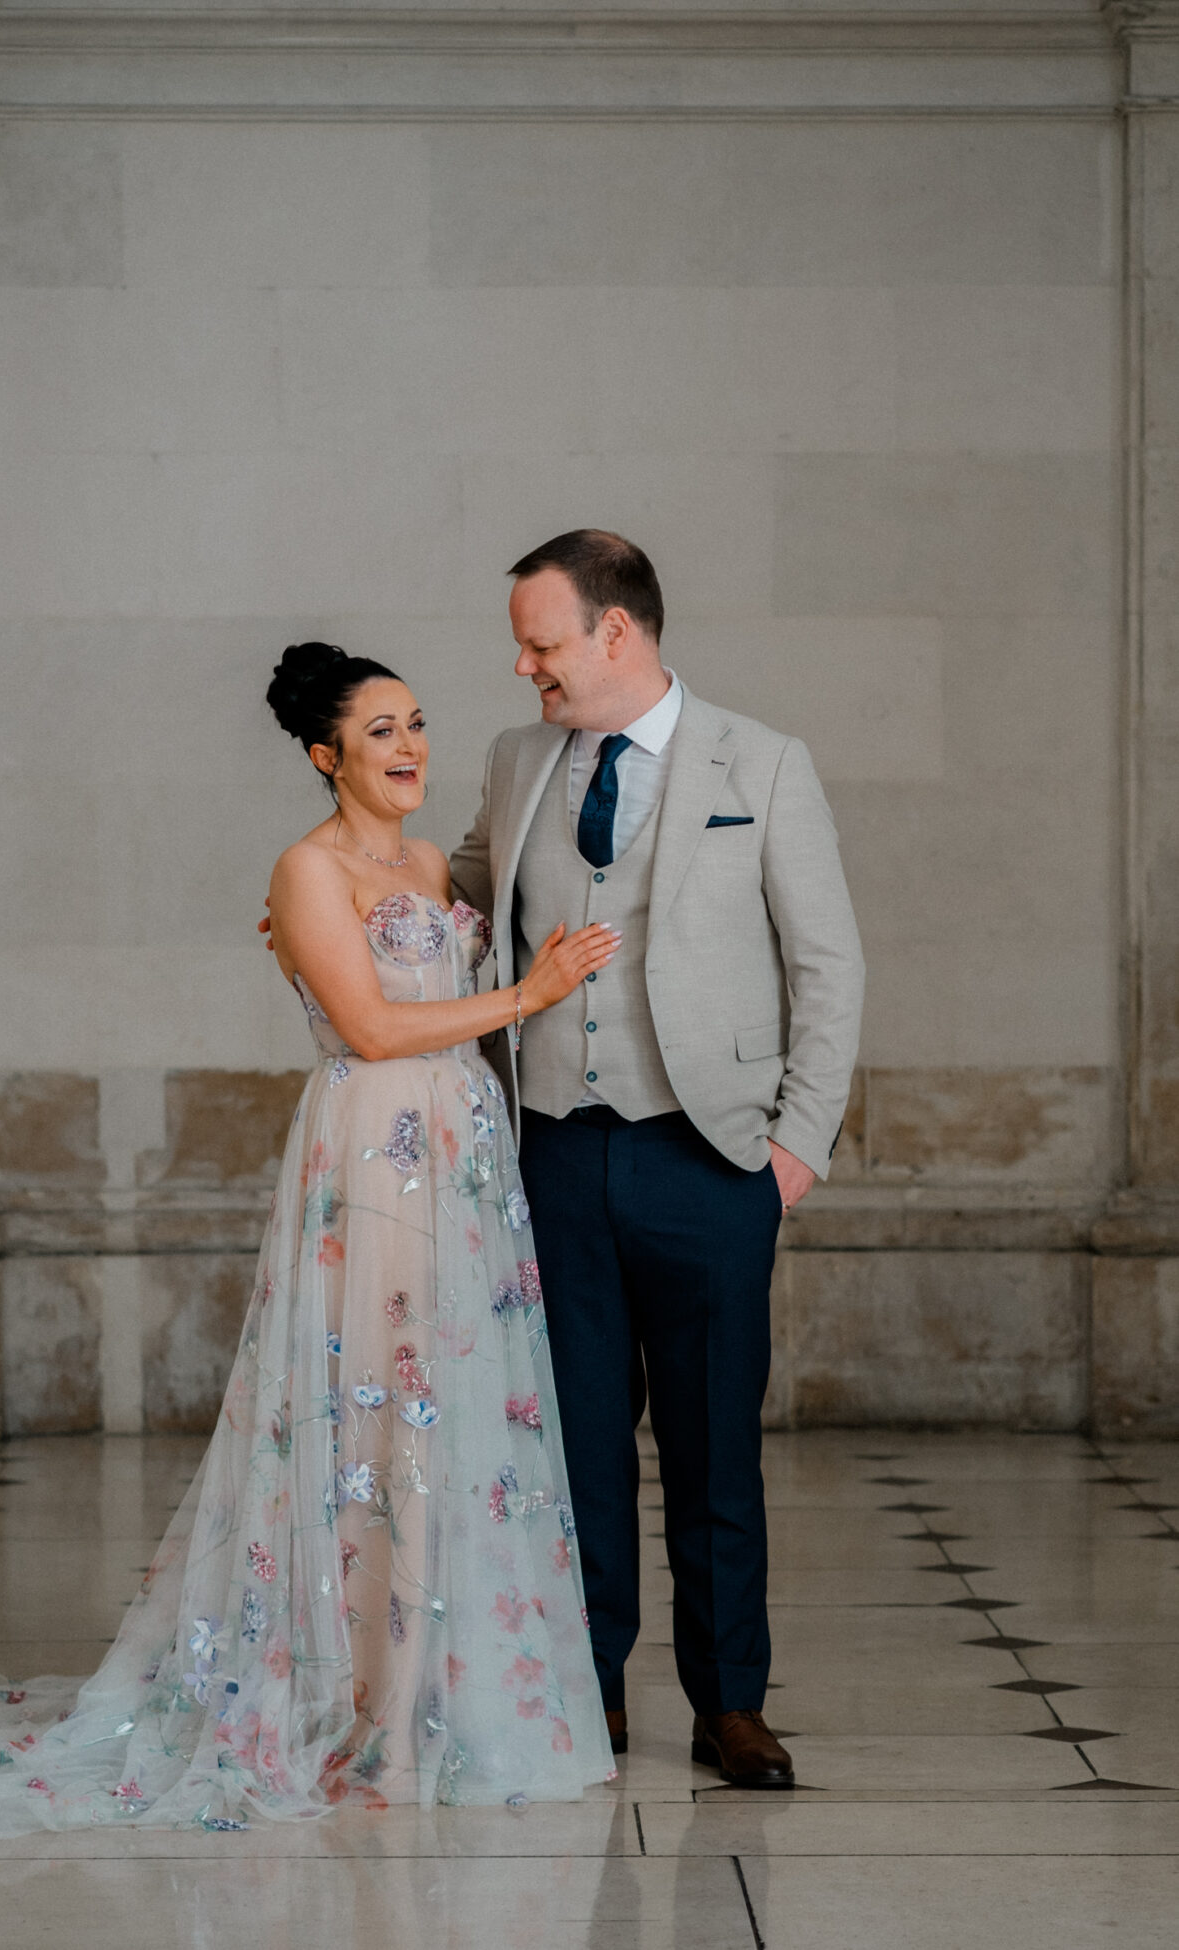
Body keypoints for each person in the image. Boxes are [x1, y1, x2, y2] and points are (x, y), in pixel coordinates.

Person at [0, 644, 616, 1840]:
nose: (408, 746)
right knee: (381, 1409)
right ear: (326, 755)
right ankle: (356, 1702)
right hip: (377, 1146)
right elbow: (374, 1029)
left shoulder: (427, 858)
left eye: (416, 722)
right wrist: (531, 996)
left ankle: (433, 1696)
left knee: (456, 1412)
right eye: (378, 731)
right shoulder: (306, 867)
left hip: (463, 1153)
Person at [446, 530, 865, 1788]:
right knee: (571, 1446)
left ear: (614, 632)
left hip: (712, 1158)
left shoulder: (764, 762)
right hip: (556, 1154)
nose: (524, 667)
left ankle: (730, 1702)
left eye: (541, 643)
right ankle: (588, 1693)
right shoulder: (518, 759)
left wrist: (793, 1151)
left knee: (711, 1447)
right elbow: (463, 891)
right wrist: (344, 892)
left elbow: (828, 967)